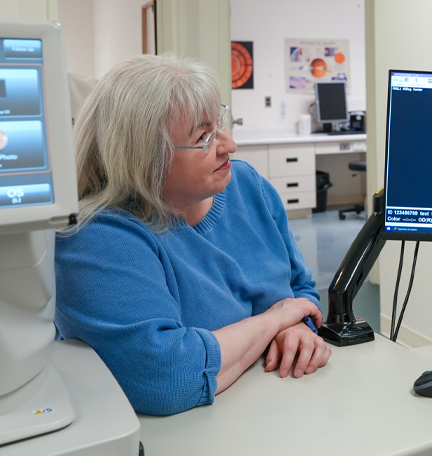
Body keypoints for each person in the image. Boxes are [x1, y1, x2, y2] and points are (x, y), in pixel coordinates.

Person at [55, 54, 330, 416]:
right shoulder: (98, 238)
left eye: (220, 124)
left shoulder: (247, 185)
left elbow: (300, 290)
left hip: (282, 406)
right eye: (204, 136)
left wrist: (300, 328)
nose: (228, 145)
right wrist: (274, 321)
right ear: (144, 158)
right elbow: (166, 378)